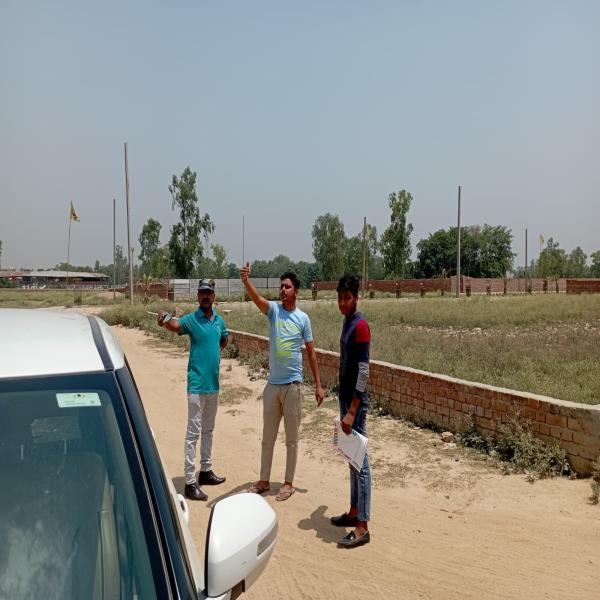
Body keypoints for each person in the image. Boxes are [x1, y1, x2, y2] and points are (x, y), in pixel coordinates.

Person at [240, 263, 324, 501]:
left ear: (296, 291)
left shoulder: (303, 319)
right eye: (281, 286)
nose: (283, 290)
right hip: (272, 386)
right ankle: (264, 480)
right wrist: (246, 281)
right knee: (267, 437)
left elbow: (311, 353)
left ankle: (288, 483)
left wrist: (318, 385)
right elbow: (257, 300)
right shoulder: (274, 311)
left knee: (291, 439)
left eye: (287, 287)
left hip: (293, 387)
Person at [157, 279, 229, 501]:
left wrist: (213, 355)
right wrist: (164, 319)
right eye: (202, 293)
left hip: (213, 385)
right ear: (198, 296)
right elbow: (174, 325)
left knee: (208, 430)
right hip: (196, 385)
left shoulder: (219, 321)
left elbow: (224, 339)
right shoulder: (191, 319)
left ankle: (205, 471)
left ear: (214, 296)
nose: (205, 296)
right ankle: (190, 482)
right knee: (193, 433)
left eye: (209, 292)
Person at [331, 274, 372, 548]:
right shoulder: (347, 322)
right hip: (346, 401)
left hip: (355, 405)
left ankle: (363, 526)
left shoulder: (361, 326)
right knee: (351, 458)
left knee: (362, 464)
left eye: (347, 298)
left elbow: (363, 372)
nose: (343, 303)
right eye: (340, 298)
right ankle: (354, 511)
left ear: (356, 298)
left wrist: (352, 410)